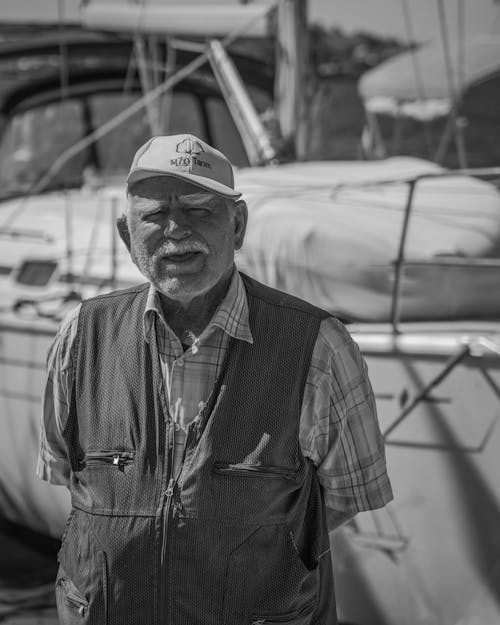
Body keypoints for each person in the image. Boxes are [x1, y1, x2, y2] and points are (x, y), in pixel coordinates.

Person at [38, 134, 393, 625]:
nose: (176, 230)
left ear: (239, 224)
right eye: (154, 214)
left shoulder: (317, 345)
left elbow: (348, 497)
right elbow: (67, 475)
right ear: (126, 233)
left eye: (201, 209)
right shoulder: (82, 336)